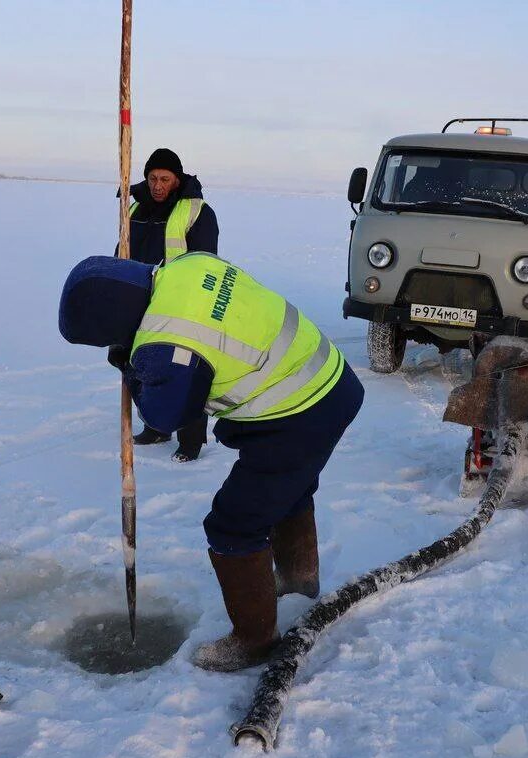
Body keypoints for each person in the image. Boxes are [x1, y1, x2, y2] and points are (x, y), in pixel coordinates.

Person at [59, 252, 363, 671]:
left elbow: (167, 415)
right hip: (328, 379)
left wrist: (131, 366)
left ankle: (254, 641)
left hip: (299, 413)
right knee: (287, 490)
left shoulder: (167, 343)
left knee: (233, 526)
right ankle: (298, 583)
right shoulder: (188, 266)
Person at [127, 148, 219, 462]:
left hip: (182, 306)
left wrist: (192, 302)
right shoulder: (135, 208)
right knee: (139, 365)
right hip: (140, 300)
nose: (157, 184)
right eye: (152, 177)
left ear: (176, 180)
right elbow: (122, 252)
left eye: (164, 178)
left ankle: (190, 441)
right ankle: (155, 425)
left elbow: (206, 264)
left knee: (183, 371)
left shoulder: (197, 212)